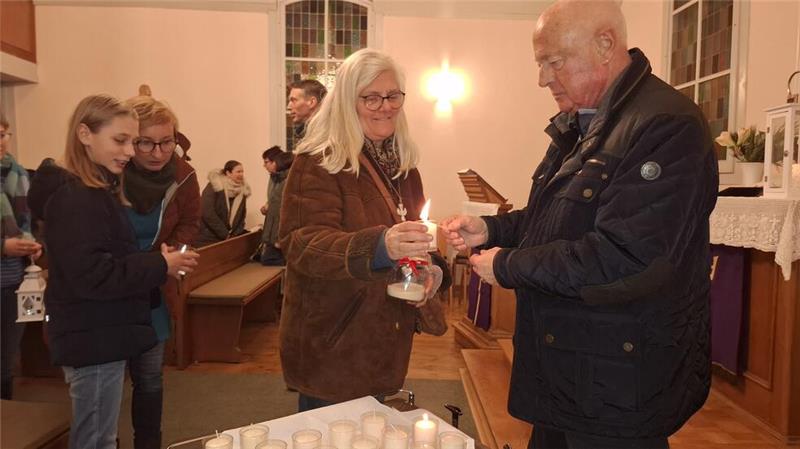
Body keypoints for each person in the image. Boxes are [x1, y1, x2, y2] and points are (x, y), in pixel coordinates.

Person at [442, 2, 719, 448]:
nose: (543, 78)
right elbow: (555, 218)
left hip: (618, 379)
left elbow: (626, 257)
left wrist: (509, 266)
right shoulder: (587, 122)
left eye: (553, 62)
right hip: (572, 364)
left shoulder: (665, 124)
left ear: (605, 45)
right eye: (540, 63)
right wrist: (492, 231)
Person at [278, 48, 451, 412]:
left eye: (392, 95)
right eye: (370, 97)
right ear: (345, 101)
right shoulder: (319, 162)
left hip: (383, 340)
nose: (384, 106)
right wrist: (379, 246)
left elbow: (417, 237)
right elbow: (302, 244)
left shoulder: (404, 168)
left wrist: (433, 270)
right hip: (333, 343)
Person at [27, 94, 198, 449]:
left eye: (131, 141)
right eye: (123, 141)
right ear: (85, 134)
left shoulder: (93, 189)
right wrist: (159, 264)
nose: (130, 152)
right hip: (95, 330)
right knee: (96, 439)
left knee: (103, 430)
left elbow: (101, 260)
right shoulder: (77, 196)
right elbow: (94, 274)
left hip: (106, 324)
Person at [123, 86, 201, 449]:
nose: (158, 153)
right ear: (128, 140)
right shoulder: (111, 173)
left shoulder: (183, 174)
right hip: (113, 289)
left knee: (150, 378)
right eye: (146, 143)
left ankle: (148, 443)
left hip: (154, 286)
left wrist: (175, 251)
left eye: (166, 143)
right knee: (106, 377)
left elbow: (190, 220)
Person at [1, 114, 43, 400]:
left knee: (5, 359)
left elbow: (26, 222)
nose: (1, 140)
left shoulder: (18, 173)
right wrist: (2, 247)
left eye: (4, 133)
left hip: (12, 279)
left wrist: (30, 244)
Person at [196, 160, 251, 247]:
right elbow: (207, 212)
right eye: (238, 171)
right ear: (228, 173)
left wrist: (235, 235)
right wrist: (225, 234)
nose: (241, 174)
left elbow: (241, 216)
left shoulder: (242, 191)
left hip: (228, 238)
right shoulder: (214, 186)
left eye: (242, 171)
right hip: (208, 236)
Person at [259, 146, 293, 265]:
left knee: (270, 260)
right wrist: (267, 205)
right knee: (267, 260)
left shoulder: (288, 179)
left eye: (266, 162)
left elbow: (286, 209)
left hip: (281, 232)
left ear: (276, 162)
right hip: (273, 229)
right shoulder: (275, 178)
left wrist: (279, 238)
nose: (264, 165)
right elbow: (274, 200)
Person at [287, 79, 327, 150]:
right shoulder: (306, 133)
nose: (289, 107)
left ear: (312, 102)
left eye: (294, 100)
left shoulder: (327, 136)